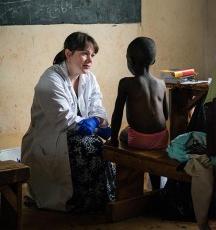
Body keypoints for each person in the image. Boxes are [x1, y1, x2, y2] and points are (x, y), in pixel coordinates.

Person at [21, 31, 115, 213]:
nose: (90, 60)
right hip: (52, 140)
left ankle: (102, 198)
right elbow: (63, 119)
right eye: (84, 53)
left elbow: (97, 105)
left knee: (100, 146)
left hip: (78, 135)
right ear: (68, 53)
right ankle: (85, 202)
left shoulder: (89, 78)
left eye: (92, 55)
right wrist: (93, 126)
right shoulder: (50, 80)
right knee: (88, 146)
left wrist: (97, 120)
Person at [108, 36, 169, 189]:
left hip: (139, 140)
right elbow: (166, 115)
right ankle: (156, 189)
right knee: (150, 146)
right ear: (153, 61)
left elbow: (117, 114)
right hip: (162, 138)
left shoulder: (126, 83)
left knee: (124, 133)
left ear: (130, 61)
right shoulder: (161, 84)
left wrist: (113, 140)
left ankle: (131, 185)